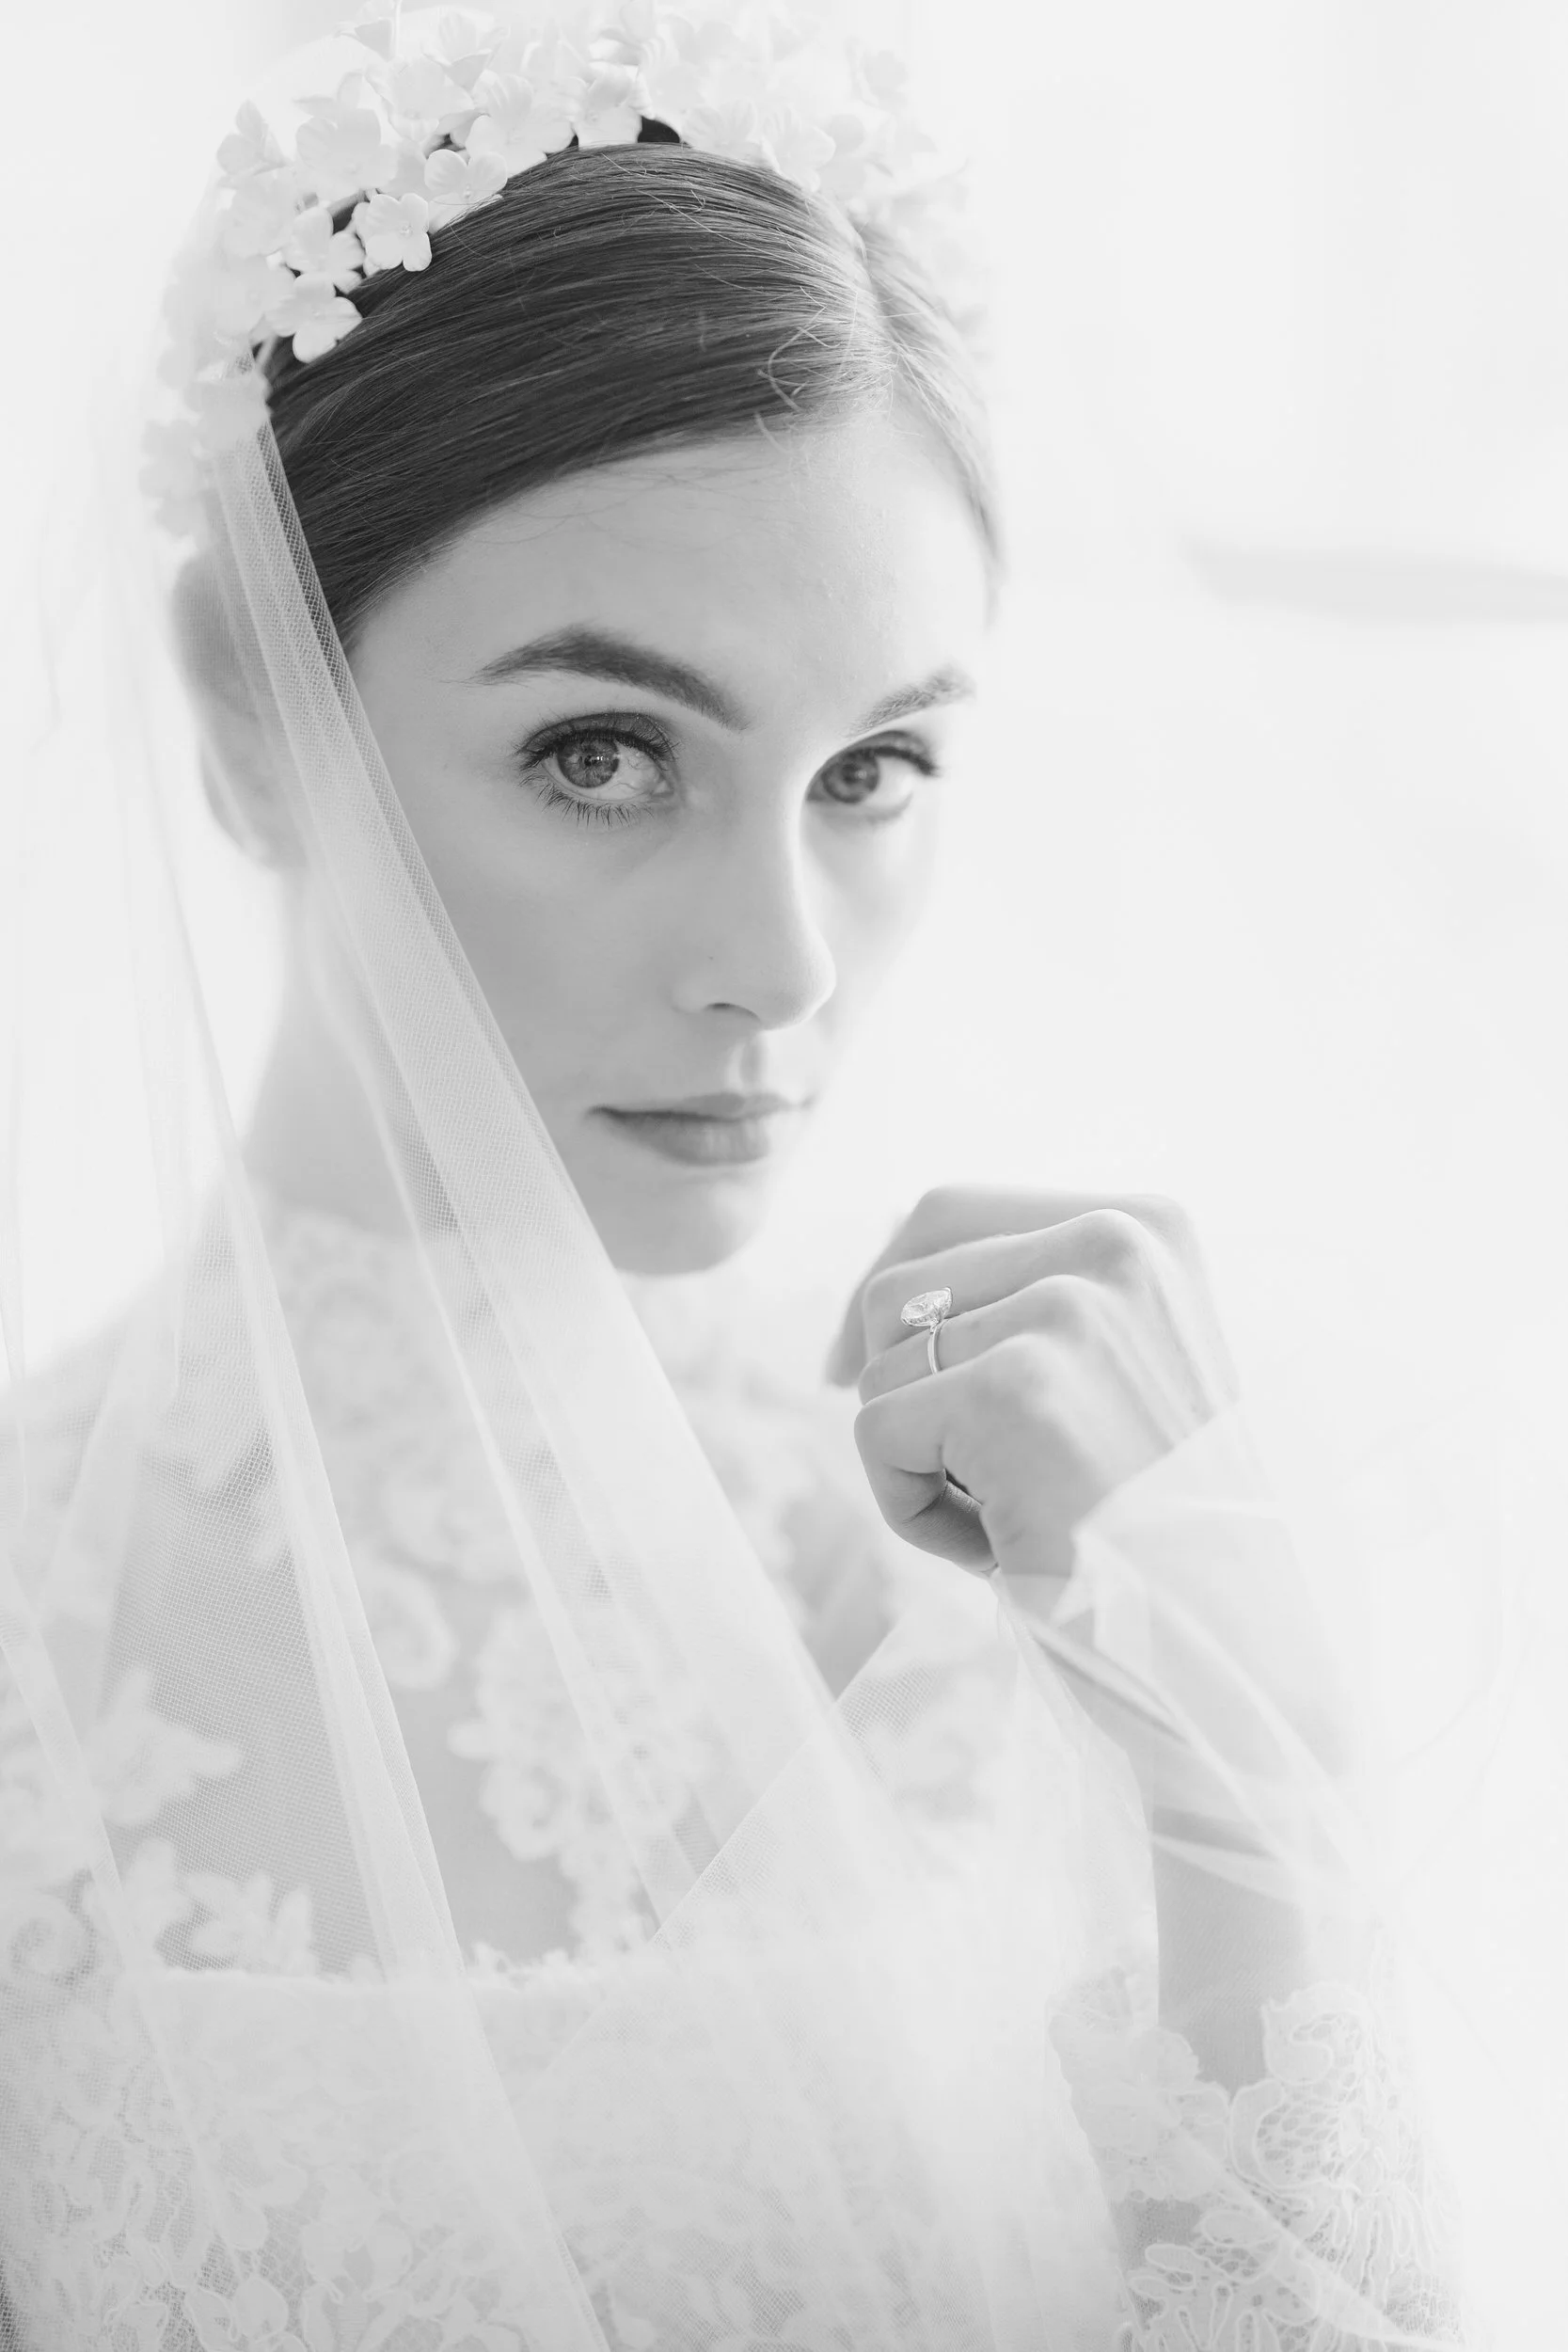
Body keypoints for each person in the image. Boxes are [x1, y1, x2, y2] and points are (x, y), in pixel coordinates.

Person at [0, 5, 1502, 2344]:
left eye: (873, 765)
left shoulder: (1085, 1505)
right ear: (244, 707)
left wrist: (1236, 1785)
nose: (779, 960)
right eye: (602, 752)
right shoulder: (30, 1642)